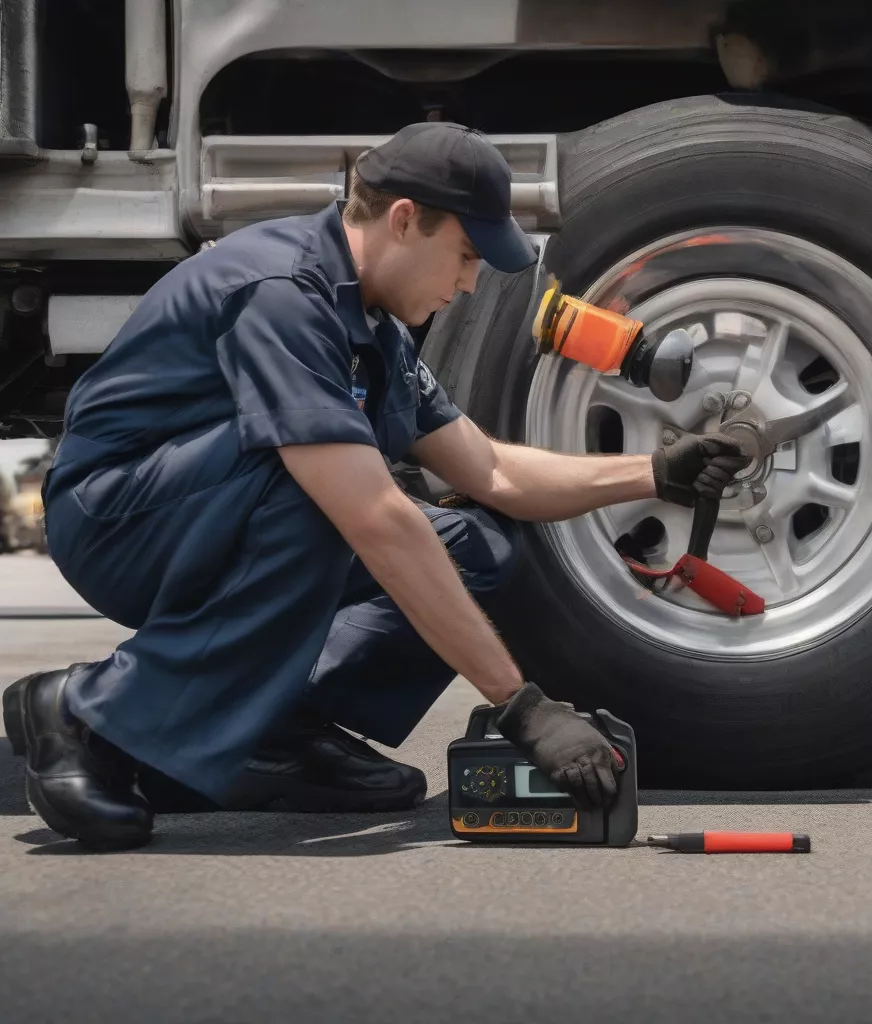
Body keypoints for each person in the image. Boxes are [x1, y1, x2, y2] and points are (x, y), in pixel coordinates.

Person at [4, 122, 748, 850]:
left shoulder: (376, 330)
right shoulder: (285, 290)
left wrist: (651, 473)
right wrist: (521, 708)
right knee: (328, 491)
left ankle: (268, 731)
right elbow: (375, 518)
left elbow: (492, 470)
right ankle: (85, 713)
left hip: (209, 508)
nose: (468, 283)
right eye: (464, 254)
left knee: (481, 545)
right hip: (119, 519)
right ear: (403, 221)